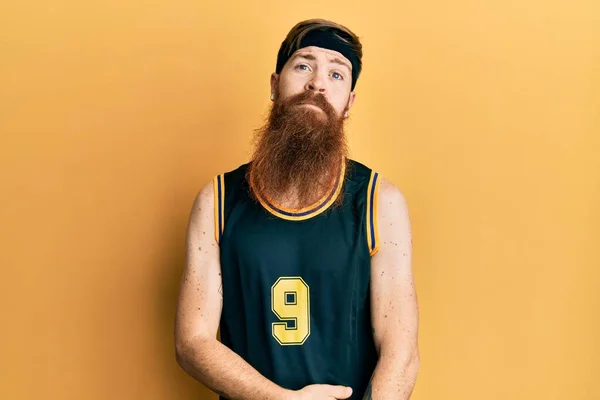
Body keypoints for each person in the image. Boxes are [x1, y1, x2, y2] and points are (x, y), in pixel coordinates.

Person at [175, 19, 419, 400]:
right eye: (304, 65)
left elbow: (400, 352)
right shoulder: (217, 200)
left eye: (337, 74)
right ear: (275, 85)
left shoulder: (378, 201)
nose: (317, 83)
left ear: (349, 103)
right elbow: (192, 341)